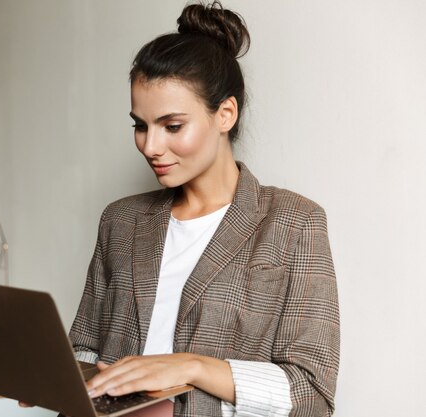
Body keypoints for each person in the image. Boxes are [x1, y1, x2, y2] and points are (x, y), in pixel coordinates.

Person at [25, 1, 340, 416]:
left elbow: (312, 397)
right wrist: (59, 381)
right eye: (141, 125)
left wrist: (192, 367)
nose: (151, 146)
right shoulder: (120, 221)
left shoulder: (293, 223)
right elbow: (85, 346)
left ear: (225, 114)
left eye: (172, 126)